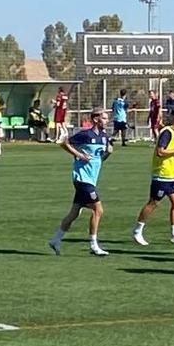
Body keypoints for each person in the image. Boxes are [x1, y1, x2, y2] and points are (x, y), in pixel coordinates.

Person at [49, 107, 113, 257]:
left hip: (91, 179)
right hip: (82, 179)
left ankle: (55, 240)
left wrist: (107, 154)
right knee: (98, 210)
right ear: (96, 119)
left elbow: (99, 160)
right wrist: (79, 155)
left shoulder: (104, 137)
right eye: (104, 118)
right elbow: (64, 143)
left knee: (74, 213)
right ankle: (93, 244)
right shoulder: (85, 135)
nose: (107, 120)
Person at [133, 108, 174, 246]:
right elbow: (160, 152)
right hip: (162, 175)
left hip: (173, 176)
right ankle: (137, 230)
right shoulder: (167, 132)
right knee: (153, 203)